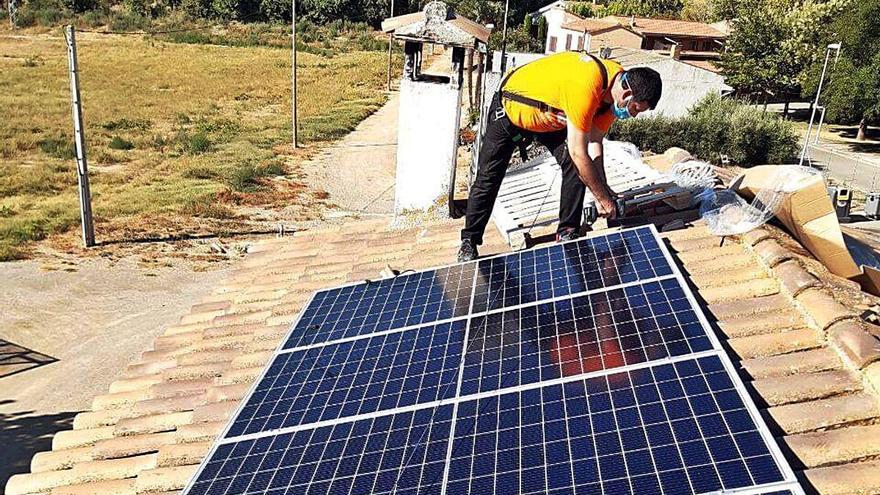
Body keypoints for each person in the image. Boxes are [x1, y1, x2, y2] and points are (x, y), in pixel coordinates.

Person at [458, 52, 663, 262]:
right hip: (512, 110)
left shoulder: (612, 97)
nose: (633, 115)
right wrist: (604, 199)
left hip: (549, 119)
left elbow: (594, 144)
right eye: (635, 109)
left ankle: (567, 231)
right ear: (627, 93)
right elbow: (579, 152)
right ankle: (469, 241)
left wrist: (604, 192)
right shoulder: (586, 84)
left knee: (576, 167)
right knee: (488, 178)